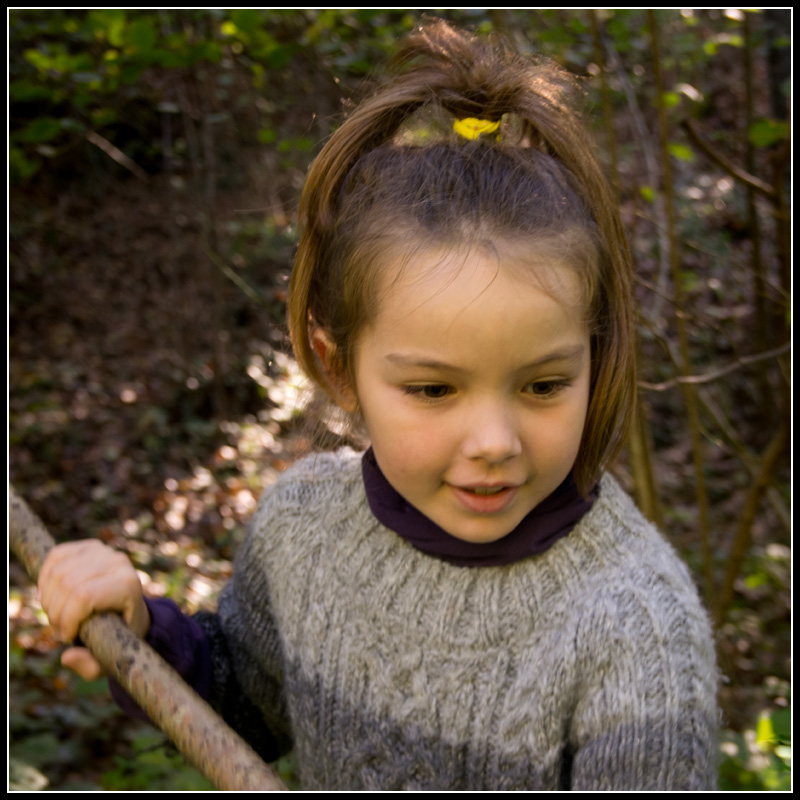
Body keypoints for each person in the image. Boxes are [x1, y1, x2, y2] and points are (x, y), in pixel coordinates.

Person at [37, 20, 719, 790]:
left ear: (596, 356)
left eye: (543, 385)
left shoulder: (636, 630)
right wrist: (137, 629)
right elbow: (237, 703)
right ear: (339, 368)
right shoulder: (303, 532)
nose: (495, 440)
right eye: (433, 389)